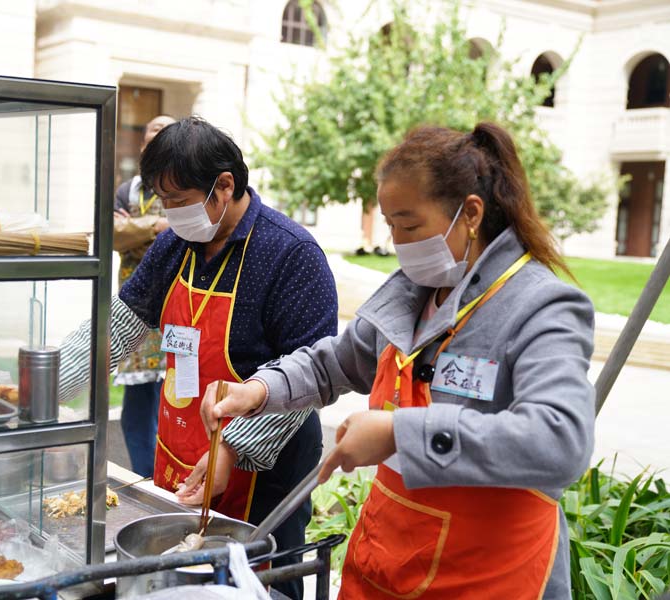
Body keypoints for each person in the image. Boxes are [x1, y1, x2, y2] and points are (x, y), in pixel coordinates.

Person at [201, 122, 595, 599]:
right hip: (393, 559)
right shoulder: (414, 292)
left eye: (409, 225)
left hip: (489, 574)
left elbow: (560, 440)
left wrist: (399, 433)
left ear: (470, 213)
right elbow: (334, 362)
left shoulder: (541, 307)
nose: (397, 242)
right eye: (390, 225)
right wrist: (259, 390)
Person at [59, 116, 337, 599]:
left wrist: (231, 448)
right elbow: (120, 325)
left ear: (224, 185)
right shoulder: (175, 244)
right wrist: (43, 393)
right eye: (161, 201)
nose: (168, 213)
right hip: (182, 443)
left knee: (259, 584)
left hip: (264, 469)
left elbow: (310, 372)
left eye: (179, 201)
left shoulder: (291, 254)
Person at [112, 114, 175, 477]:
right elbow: (114, 234)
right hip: (136, 312)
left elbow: (184, 236)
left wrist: (136, 228)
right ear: (143, 146)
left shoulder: (187, 187)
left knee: (176, 405)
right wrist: (157, 225)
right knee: (138, 410)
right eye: (154, 133)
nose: (161, 139)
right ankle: (145, 481)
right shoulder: (128, 189)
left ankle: (170, 482)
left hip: (178, 308)